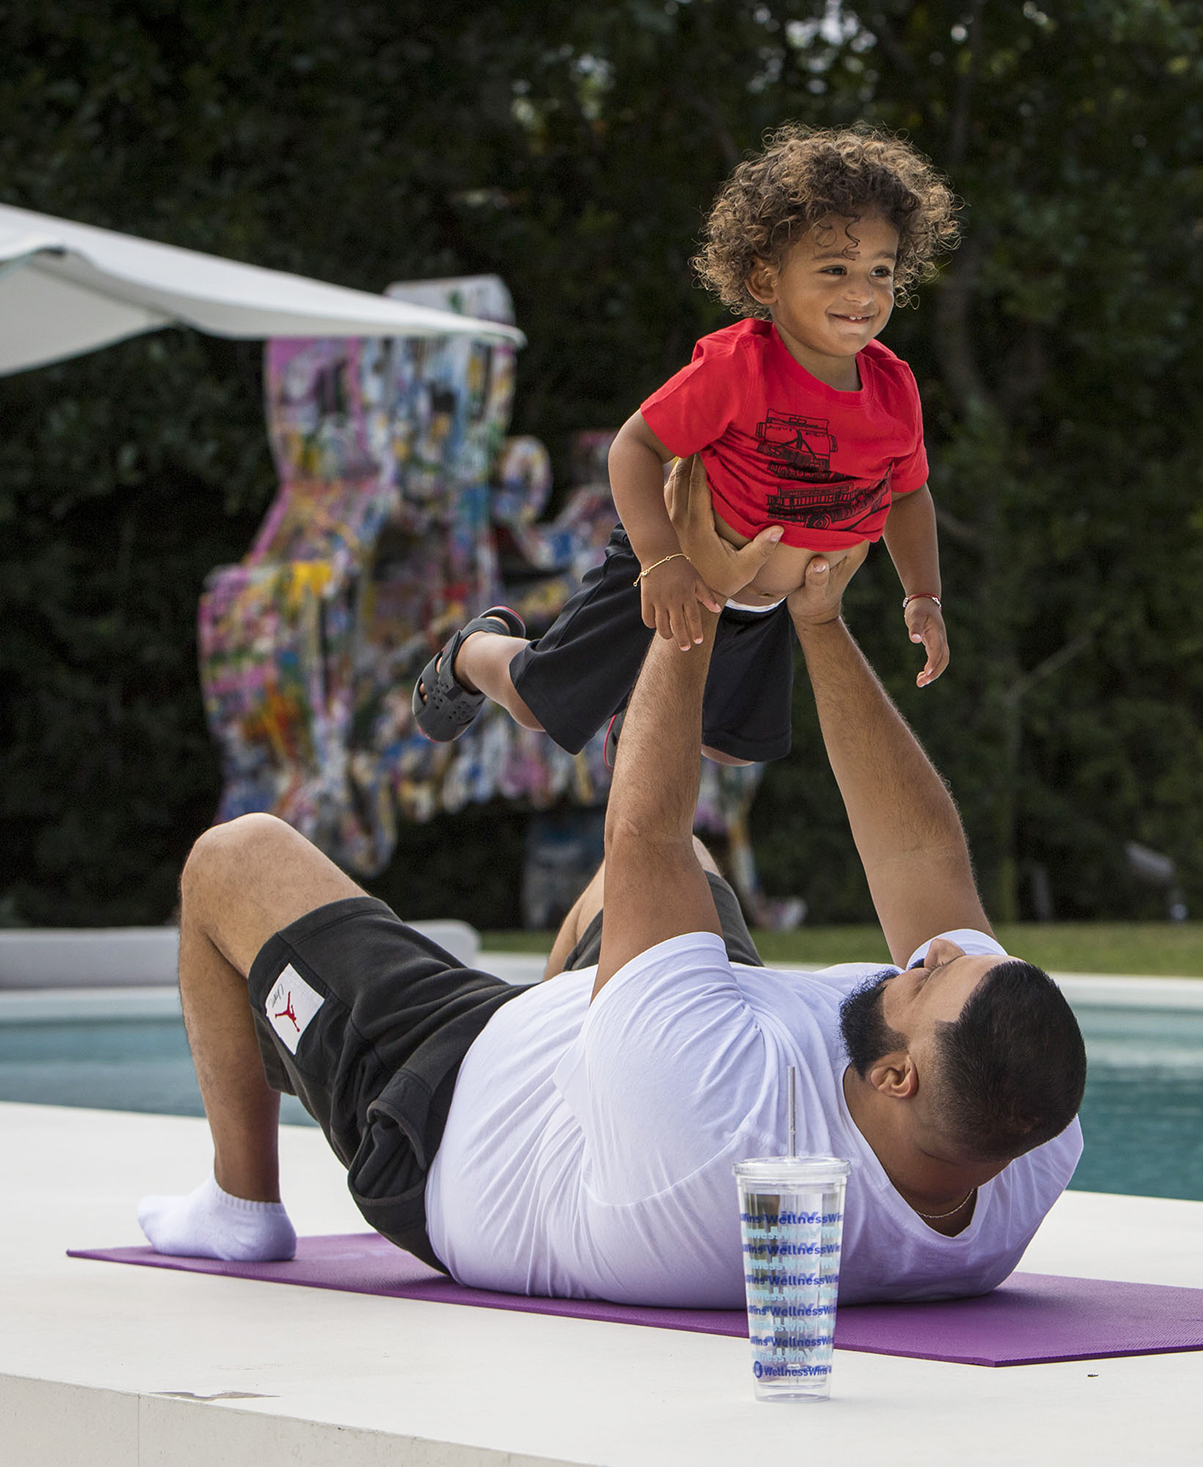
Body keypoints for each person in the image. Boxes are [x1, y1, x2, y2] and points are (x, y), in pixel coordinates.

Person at [139, 489, 1086, 1306]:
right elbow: (922, 849)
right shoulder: (1023, 1132)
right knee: (685, 887)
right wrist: (820, 621)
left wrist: (695, 580)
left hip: (443, 1105)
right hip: (645, 1060)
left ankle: (240, 1205)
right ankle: (603, 1021)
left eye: (930, 979)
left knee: (234, 858)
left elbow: (643, 830)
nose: (942, 950)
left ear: (896, 1075)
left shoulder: (708, 1126)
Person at [413, 124, 960, 771]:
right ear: (765, 280)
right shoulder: (740, 367)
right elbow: (634, 446)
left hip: (762, 605)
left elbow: (908, 492)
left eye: (880, 270)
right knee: (538, 706)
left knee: (726, 751)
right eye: (835, 269)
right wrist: (660, 560)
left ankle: (634, 717)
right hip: (667, 570)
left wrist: (922, 594)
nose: (862, 293)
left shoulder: (893, 389)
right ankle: (475, 651)